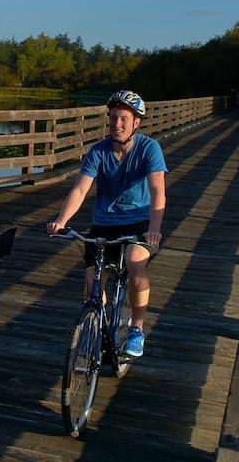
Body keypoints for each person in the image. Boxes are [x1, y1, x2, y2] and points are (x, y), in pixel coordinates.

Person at [46, 89, 167, 358]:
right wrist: (61, 221)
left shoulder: (149, 148)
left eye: (123, 118)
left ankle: (136, 328)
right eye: (112, 118)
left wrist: (155, 228)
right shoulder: (98, 151)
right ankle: (95, 327)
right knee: (92, 285)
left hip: (139, 223)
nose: (117, 124)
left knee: (135, 264)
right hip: (103, 223)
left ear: (136, 122)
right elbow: (80, 190)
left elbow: (158, 192)